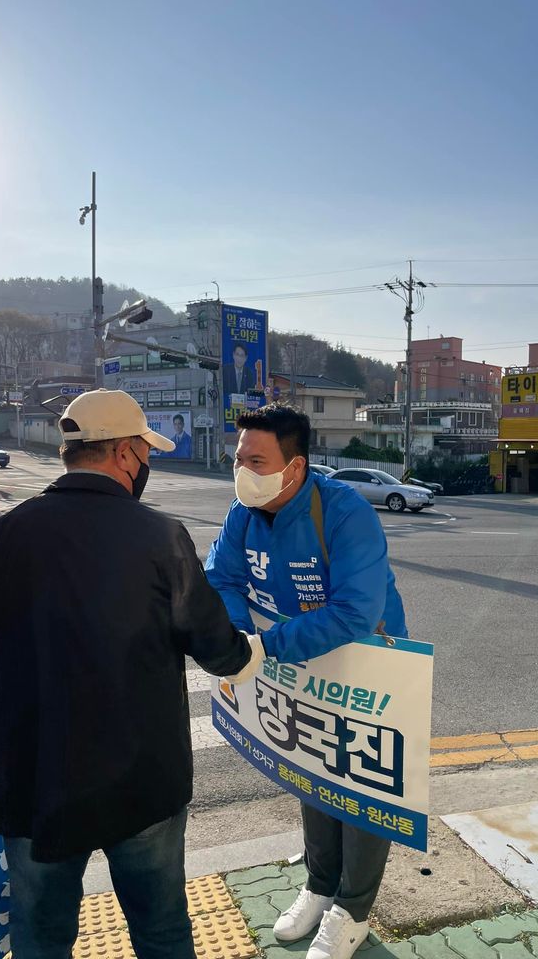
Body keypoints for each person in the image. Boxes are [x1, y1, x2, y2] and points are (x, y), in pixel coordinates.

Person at [0, 389, 258, 959]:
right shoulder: (160, 536)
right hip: (142, 780)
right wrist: (248, 656)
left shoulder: (1, 531)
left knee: (39, 937)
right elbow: (214, 645)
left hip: (33, 781)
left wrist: (11, 712)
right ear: (123, 455)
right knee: (161, 931)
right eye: (145, 453)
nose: (147, 466)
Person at [205, 403, 408, 959]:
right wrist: (242, 635)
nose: (241, 469)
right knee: (311, 768)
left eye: (256, 459)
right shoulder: (243, 510)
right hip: (295, 660)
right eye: (239, 457)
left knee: (362, 784)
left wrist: (263, 646)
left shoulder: (344, 513)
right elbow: (219, 577)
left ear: (293, 468)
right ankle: (321, 886)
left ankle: (353, 910)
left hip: (366, 664)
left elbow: (354, 614)